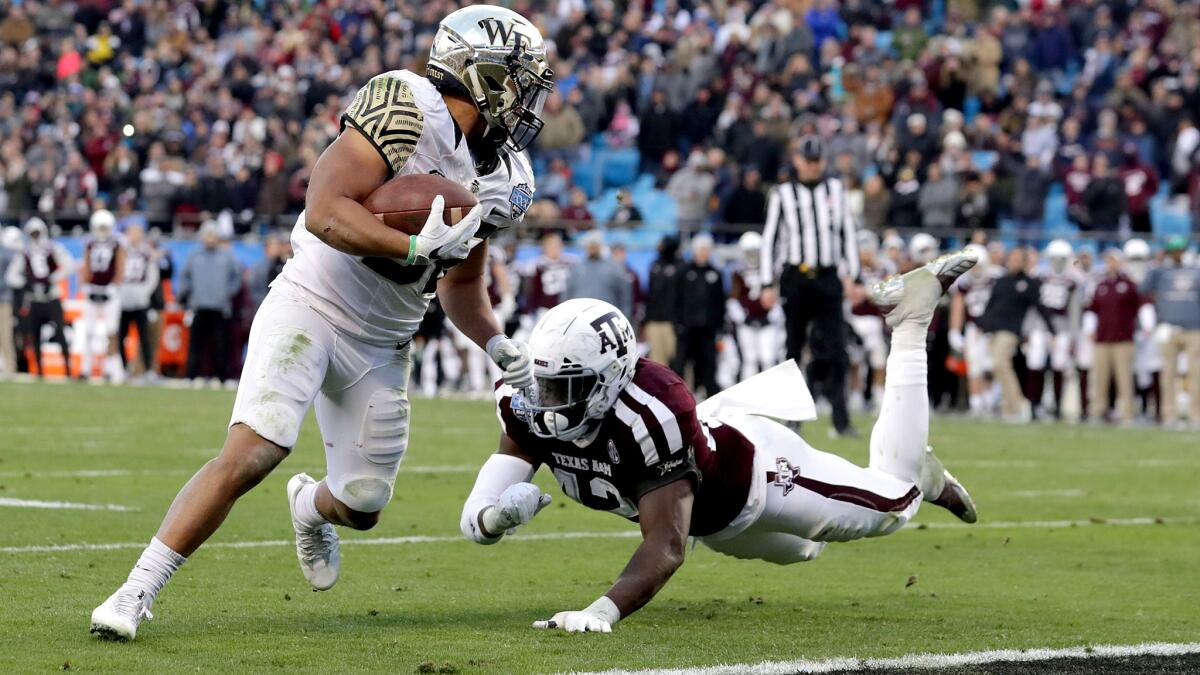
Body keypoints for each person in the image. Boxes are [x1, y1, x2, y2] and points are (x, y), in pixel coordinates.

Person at [90, 6, 551, 641]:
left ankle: (310, 506)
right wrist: (412, 249)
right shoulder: (408, 106)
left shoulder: (505, 176)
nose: (529, 98)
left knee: (362, 504)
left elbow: (463, 283)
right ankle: (135, 590)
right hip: (313, 298)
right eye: (522, 79)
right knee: (256, 450)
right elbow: (325, 209)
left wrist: (498, 342)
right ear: (482, 74)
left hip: (385, 339)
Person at [460, 252, 979, 632]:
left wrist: (602, 610)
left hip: (761, 476)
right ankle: (913, 469)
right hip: (712, 516)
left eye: (566, 389)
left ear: (612, 378)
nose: (550, 402)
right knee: (803, 551)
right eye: (546, 385)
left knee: (895, 505)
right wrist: (496, 519)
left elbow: (666, 544)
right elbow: (474, 517)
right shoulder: (525, 399)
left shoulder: (652, 411)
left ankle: (911, 321)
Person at [761, 135, 861, 437]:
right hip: (796, 278)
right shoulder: (783, 194)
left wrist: (854, 277)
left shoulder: (835, 191)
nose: (813, 166)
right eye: (809, 160)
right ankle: (792, 421)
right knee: (792, 350)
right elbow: (771, 239)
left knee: (837, 350)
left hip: (828, 277)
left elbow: (849, 235)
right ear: (797, 161)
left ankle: (841, 421)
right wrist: (768, 282)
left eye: (818, 160)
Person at [981, 247, 1057, 422]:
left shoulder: (1029, 283)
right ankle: (1009, 409)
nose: (1014, 261)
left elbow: (1041, 307)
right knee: (997, 367)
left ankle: (1020, 404)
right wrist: (984, 325)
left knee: (1001, 363)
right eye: (1012, 258)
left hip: (1011, 330)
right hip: (993, 329)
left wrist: (1052, 330)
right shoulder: (1000, 281)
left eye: (1018, 259)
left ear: (1024, 262)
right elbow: (991, 305)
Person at [5, 218, 74, 378]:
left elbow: (69, 265)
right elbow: (11, 276)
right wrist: (25, 283)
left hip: (51, 297)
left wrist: (53, 278)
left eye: (37, 233)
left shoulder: (53, 248)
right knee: (33, 334)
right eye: (33, 233)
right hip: (34, 298)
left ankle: (68, 369)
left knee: (60, 331)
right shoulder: (25, 252)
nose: (35, 236)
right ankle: (39, 370)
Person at [1142, 236, 1200, 428]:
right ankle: (1169, 415)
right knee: (1168, 374)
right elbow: (1143, 288)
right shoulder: (1160, 271)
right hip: (1168, 328)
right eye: (1173, 250)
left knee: (1195, 374)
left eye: (1180, 250)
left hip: (1193, 329)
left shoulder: (1196, 271)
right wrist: (1155, 264)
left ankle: (1196, 415)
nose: (1177, 254)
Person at [177, 223, 242, 384]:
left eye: (213, 235)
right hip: (199, 305)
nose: (210, 239)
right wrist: (189, 294)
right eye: (207, 235)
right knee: (195, 343)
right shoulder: (195, 256)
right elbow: (185, 277)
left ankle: (221, 377)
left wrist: (227, 293)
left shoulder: (227, 256)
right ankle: (192, 376)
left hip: (220, 307)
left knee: (221, 344)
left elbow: (237, 277)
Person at [1084, 248, 1141, 425]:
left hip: (1123, 338)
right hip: (1102, 338)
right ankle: (1097, 411)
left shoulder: (1129, 284)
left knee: (1124, 378)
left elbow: (1139, 307)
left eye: (1114, 260)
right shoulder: (1100, 285)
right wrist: (1090, 329)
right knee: (1099, 377)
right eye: (1108, 260)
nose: (1111, 264)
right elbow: (1093, 309)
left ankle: (1127, 413)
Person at [1026, 240, 1080, 419]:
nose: (1058, 263)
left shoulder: (1072, 280)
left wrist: (1073, 335)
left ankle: (1057, 406)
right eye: (1055, 259)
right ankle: (1034, 405)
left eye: (1061, 259)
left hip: (1062, 326)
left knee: (1059, 366)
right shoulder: (1039, 277)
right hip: (1039, 326)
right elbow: (1033, 306)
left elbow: (1074, 310)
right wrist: (1028, 329)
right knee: (1035, 364)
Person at [673, 234, 725, 398]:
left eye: (707, 249)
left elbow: (720, 302)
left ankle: (709, 398)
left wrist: (719, 326)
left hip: (708, 329)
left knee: (709, 365)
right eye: (701, 249)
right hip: (687, 328)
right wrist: (678, 323)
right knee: (681, 363)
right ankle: (678, 398)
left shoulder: (715, 273)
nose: (704, 253)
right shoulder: (684, 272)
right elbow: (676, 299)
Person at [78, 209, 126, 382]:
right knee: (89, 330)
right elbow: (86, 264)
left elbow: (121, 265)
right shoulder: (90, 242)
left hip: (110, 291)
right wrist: (84, 284)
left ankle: (110, 368)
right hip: (93, 288)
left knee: (111, 330)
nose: (102, 231)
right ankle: (85, 367)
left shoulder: (117, 243)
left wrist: (115, 284)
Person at [728, 231, 782, 381]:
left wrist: (771, 316)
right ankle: (748, 398)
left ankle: (771, 395)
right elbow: (733, 299)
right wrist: (743, 318)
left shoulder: (771, 271)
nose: (752, 255)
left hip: (768, 322)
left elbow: (778, 298)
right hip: (746, 322)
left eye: (755, 251)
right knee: (749, 359)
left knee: (769, 358)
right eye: (749, 251)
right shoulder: (737, 272)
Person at [117, 223, 160, 379]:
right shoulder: (121, 251)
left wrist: (144, 293)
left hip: (140, 301)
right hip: (122, 301)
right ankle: (122, 368)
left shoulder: (146, 253)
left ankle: (149, 370)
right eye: (131, 232)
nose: (134, 236)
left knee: (144, 337)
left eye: (137, 232)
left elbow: (153, 276)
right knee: (121, 335)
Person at [564, 231, 632, 320]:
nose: (593, 248)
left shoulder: (614, 267)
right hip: (579, 319)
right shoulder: (576, 268)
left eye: (595, 244)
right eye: (590, 245)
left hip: (606, 319)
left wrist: (624, 317)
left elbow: (625, 294)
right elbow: (566, 294)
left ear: (601, 246)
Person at [643, 236, 682, 367]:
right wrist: (646, 320)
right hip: (654, 320)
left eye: (662, 243)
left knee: (678, 361)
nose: (658, 246)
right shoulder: (654, 265)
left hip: (674, 322)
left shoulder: (681, 266)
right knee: (657, 363)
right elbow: (650, 294)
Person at [0, 226, 20, 375]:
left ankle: (10, 367)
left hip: (3, 300)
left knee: (5, 334)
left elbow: (11, 277)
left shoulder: (6, 252)